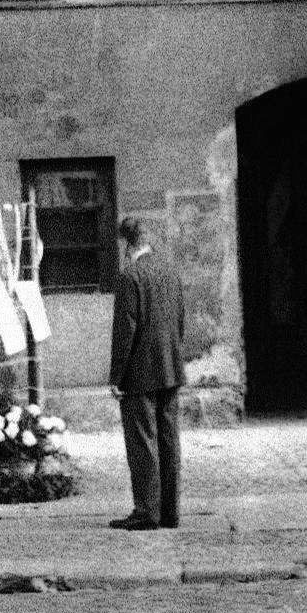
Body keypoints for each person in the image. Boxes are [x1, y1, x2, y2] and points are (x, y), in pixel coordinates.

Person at [107, 212, 185, 530]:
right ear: (148, 240)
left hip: (139, 373)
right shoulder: (170, 272)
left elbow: (125, 331)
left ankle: (146, 512)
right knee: (168, 438)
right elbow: (180, 320)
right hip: (170, 367)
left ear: (126, 245)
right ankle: (169, 512)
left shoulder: (130, 277)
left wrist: (116, 377)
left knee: (142, 442)